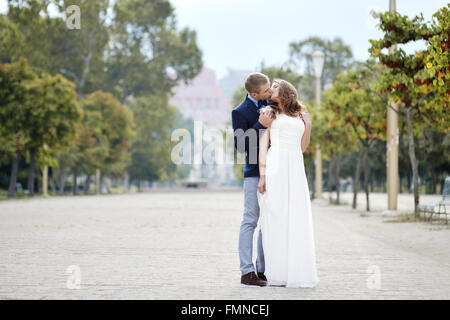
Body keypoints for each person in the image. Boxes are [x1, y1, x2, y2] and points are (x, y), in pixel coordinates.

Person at [257, 79, 319, 288]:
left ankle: (297, 271)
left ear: (285, 90)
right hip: (275, 165)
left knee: (296, 216)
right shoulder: (269, 112)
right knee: (276, 215)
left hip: (295, 166)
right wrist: (263, 176)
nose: (270, 89)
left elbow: (302, 147)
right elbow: (263, 145)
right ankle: (278, 273)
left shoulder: (302, 115)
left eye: (274, 85)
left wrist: (308, 125)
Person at [231, 72, 274, 286]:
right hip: (253, 173)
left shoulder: (273, 103)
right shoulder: (239, 112)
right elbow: (240, 146)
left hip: (276, 171)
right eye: (266, 90)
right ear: (253, 93)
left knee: (269, 222)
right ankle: (247, 272)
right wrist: (259, 125)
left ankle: (263, 269)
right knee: (250, 220)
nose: (269, 93)